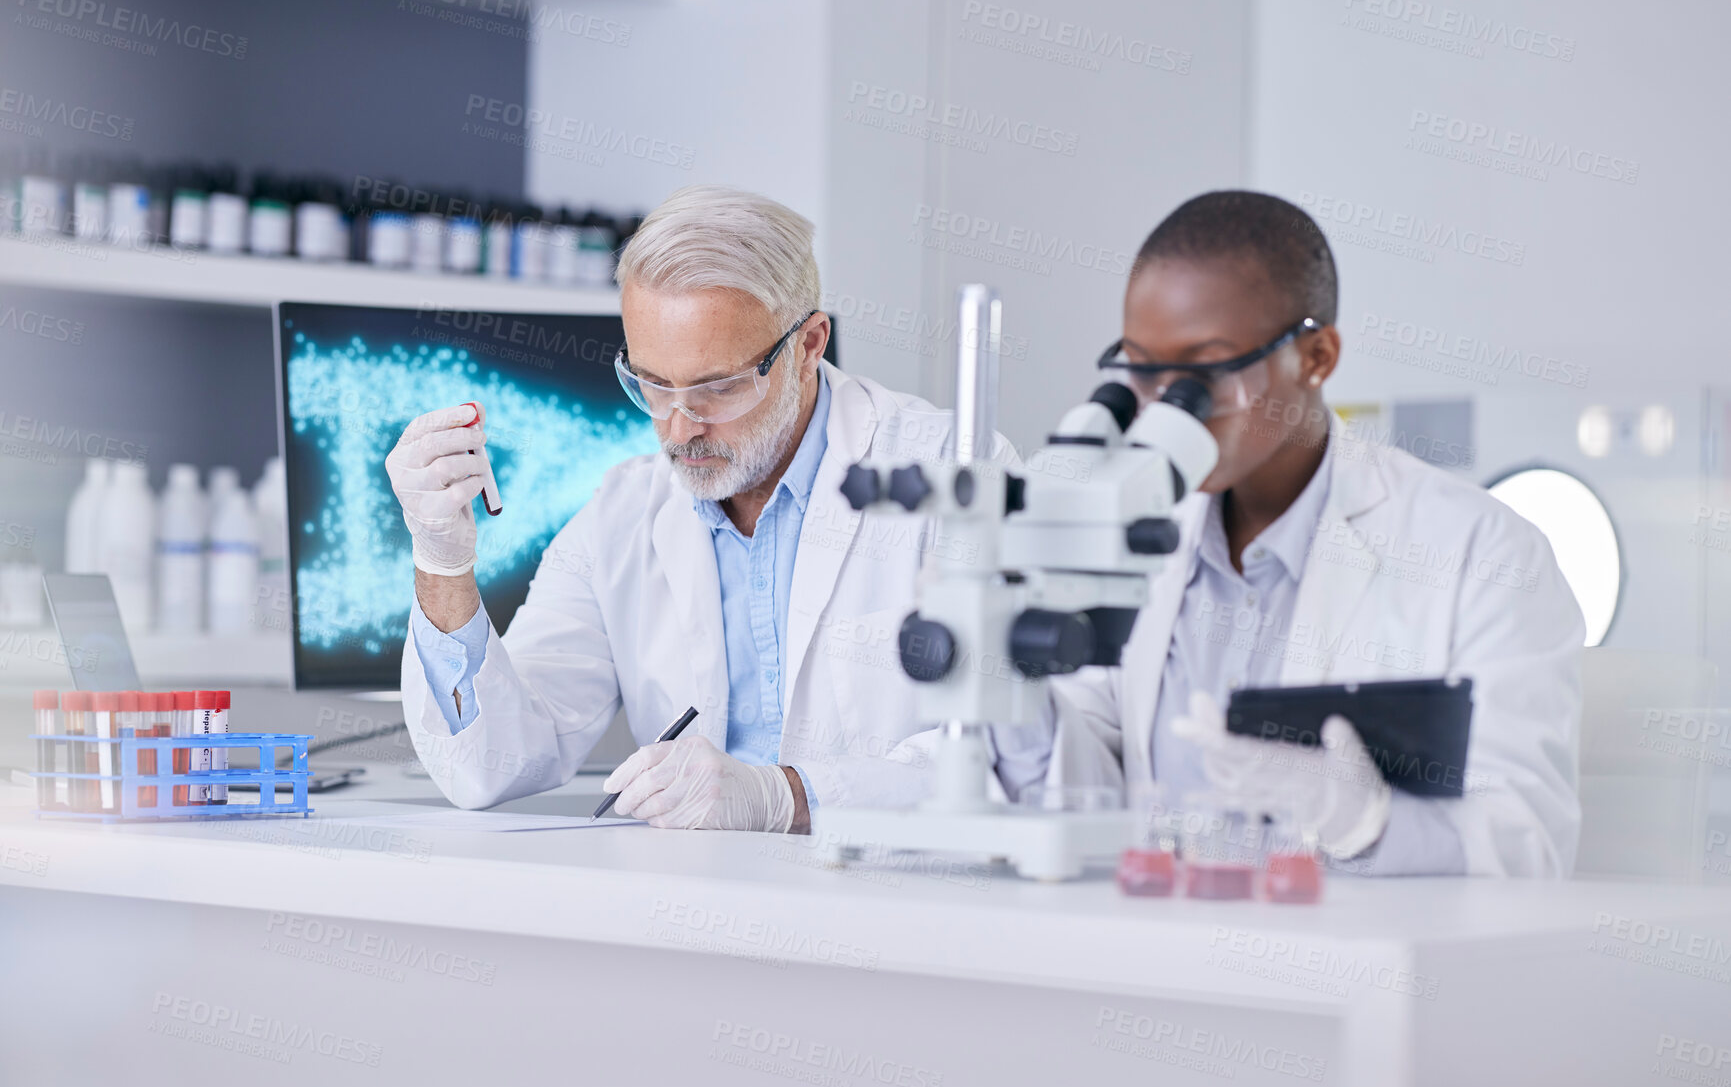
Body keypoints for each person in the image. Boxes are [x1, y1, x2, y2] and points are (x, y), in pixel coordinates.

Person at [387, 185, 1024, 832]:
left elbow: (1009, 756)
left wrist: (787, 797)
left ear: (808, 347)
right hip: (692, 905)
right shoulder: (624, 509)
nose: (680, 427)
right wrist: (442, 562)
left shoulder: (950, 474)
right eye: (652, 385)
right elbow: (493, 762)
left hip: (894, 903)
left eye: (716, 387)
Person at [1046, 190, 1584, 877]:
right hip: (1149, 959)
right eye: (1141, 371)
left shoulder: (1481, 553)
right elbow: (1088, 744)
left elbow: (1527, 843)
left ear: (1316, 355)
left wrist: (1362, 822)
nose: (1165, 407)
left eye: (1204, 371)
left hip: (1342, 979)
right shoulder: (1137, 532)